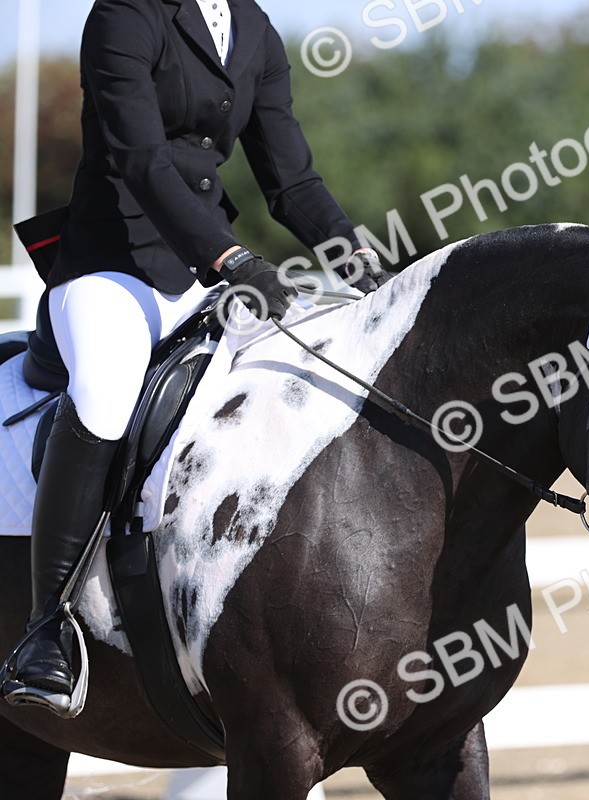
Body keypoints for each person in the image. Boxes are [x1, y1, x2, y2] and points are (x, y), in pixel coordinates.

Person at [2, 0, 387, 716]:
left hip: (201, 272)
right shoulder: (125, 15)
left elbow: (290, 178)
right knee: (108, 390)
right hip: (111, 268)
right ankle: (46, 628)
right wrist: (229, 257)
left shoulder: (254, 28)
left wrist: (354, 249)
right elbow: (141, 160)